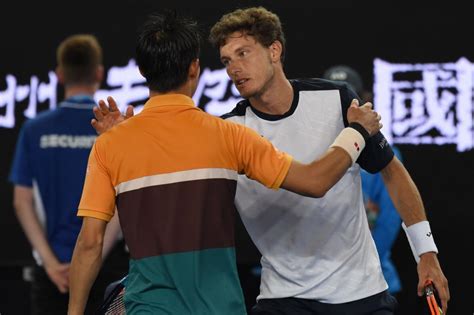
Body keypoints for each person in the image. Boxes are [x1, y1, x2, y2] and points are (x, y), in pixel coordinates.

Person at [67, 11, 382, 315]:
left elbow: (90, 243)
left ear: (143, 73)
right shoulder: (230, 136)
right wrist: (356, 133)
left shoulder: (112, 144)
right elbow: (315, 181)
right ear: (195, 69)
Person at [208, 6, 449, 314]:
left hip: (362, 294)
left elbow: (392, 171)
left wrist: (426, 252)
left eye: (243, 53)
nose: (234, 68)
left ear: (274, 50)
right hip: (282, 299)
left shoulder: (336, 98)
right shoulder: (228, 131)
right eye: (227, 61)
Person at [9, 34, 123, 315]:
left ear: (59, 74)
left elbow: (21, 202)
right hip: (104, 268)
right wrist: (89, 260)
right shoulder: (113, 129)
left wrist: (50, 263)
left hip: (53, 274)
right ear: (99, 72)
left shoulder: (35, 129)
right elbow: (123, 201)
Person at [323, 64, 404, 297]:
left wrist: (358, 271)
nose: (343, 106)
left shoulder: (385, 153)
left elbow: (388, 222)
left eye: (350, 97)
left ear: (364, 98)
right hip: (316, 285)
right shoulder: (312, 150)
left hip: (372, 281)